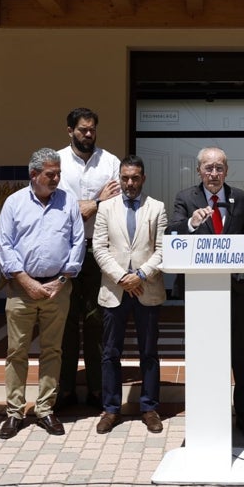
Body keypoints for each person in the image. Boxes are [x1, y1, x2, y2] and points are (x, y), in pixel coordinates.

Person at [168, 146, 244, 441]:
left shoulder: (242, 199)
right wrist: (192, 224)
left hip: (233, 293)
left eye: (219, 167)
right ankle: (205, 415)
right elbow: (173, 234)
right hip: (200, 294)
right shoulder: (186, 198)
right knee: (203, 355)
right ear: (199, 171)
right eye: (208, 168)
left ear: (227, 170)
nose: (213, 173)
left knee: (241, 358)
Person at [0, 148, 85, 440]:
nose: (56, 179)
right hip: (21, 289)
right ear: (34, 174)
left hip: (57, 288)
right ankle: (14, 412)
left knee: (52, 350)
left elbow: (77, 242)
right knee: (17, 351)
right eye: (51, 174)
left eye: (58, 173)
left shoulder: (68, 201)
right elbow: (5, 245)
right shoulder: (14, 203)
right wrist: (26, 280)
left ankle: (46, 409)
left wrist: (61, 279)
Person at [93, 155, 167, 434]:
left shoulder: (156, 208)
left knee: (149, 352)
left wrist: (141, 275)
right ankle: (111, 409)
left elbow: (162, 249)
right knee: (110, 353)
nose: (130, 183)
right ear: (120, 178)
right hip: (115, 290)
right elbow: (99, 247)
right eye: (125, 177)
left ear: (143, 178)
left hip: (147, 289)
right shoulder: (106, 208)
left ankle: (149, 407)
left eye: (135, 177)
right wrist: (122, 277)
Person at [56, 107, 120, 412]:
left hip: (99, 250)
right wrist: (96, 202)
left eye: (92, 129)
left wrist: (87, 206)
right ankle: (64, 390)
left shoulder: (110, 163)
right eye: (82, 129)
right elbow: (64, 211)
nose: (89, 134)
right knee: (65, 323)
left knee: (97, 321)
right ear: (69, 131)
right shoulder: (55, 163)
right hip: (64, 250)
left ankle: (97, 390)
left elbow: (118, 206)